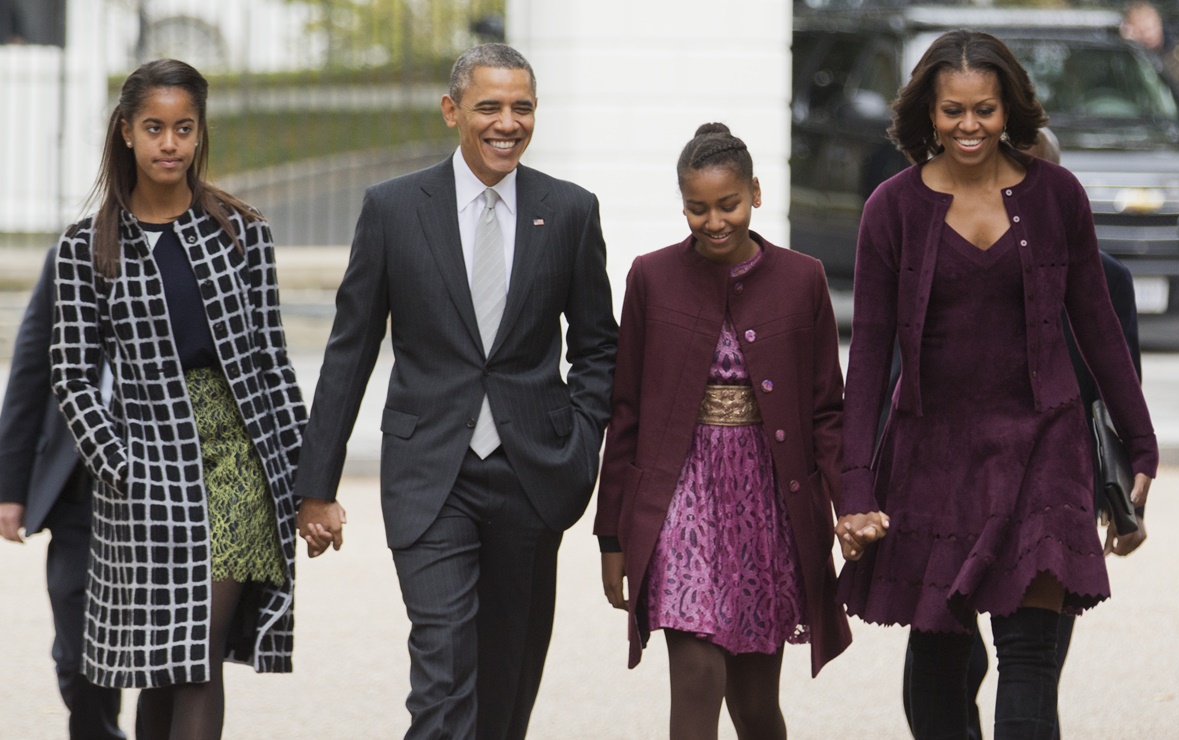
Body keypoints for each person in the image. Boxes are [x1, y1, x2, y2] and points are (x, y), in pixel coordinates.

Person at [835, 31, 1157, 740]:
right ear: (928, 112)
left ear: (1010, 108)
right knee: (941, 666)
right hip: (932, 458)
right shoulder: (890, 209)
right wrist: (854, 486)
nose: (970, 126)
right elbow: (868, 360)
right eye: (953, 111)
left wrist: (1142, 448)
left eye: (985, 109)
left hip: (1044, 449)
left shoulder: (1057, 197)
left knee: (1030, 660)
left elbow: (1100, 331)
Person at [294, 43, 618, 739]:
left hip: (532, 475)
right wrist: (316, 484)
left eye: (522, 107)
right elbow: (350, 350)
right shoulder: (392, 209)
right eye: (489, 107)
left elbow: (598, 346)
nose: (508, 123)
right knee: (443, 677)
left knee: (505, 693)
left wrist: (581, 441)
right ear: (452, 111)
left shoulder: (569, 211)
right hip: (430, 475)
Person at [49, 58, 308, 738]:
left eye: (184, 128)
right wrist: (121, 465)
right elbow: (71, 377)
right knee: (164, 659)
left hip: (235, 461)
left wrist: (309, 476)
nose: (171, 143)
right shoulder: (86, 248)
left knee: (194, 653)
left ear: (200, 134)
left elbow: (272, 361)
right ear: (127, 132)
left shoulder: (241, 233)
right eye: (156, 128)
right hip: (145, 468)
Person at [594, 123, 850, 740]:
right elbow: (625, 411)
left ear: (756, 193)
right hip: (679, 500)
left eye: (727, 204)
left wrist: (853, 507)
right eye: (697, 208)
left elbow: (826, 411)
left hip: (769, 503)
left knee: (757, 706)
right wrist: (611, 535)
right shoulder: (651, 277)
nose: (713, 221)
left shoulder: (802, 278)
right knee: (696, 678)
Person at [897, 128, 1149, 740]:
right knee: (947, 660)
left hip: (1052, 487)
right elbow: (898, 368)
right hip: (952, 481)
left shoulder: (1104, 275)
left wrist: (1122, 497)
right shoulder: (937, 250)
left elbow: (1118, 390)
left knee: (1030, 663)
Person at [0, 248, 127, 739]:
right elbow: (32, 368)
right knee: (78, 653)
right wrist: (10, 487)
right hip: (81, 483)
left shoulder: (200, 245)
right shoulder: (75, 253)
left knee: (171, 657)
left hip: (173, 480)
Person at [1121, 1, 1179, 103]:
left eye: (1151, 27)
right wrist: (1129, 47)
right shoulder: (1125, 58)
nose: (1148, 34)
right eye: (1142, 30)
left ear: (1159, 22)